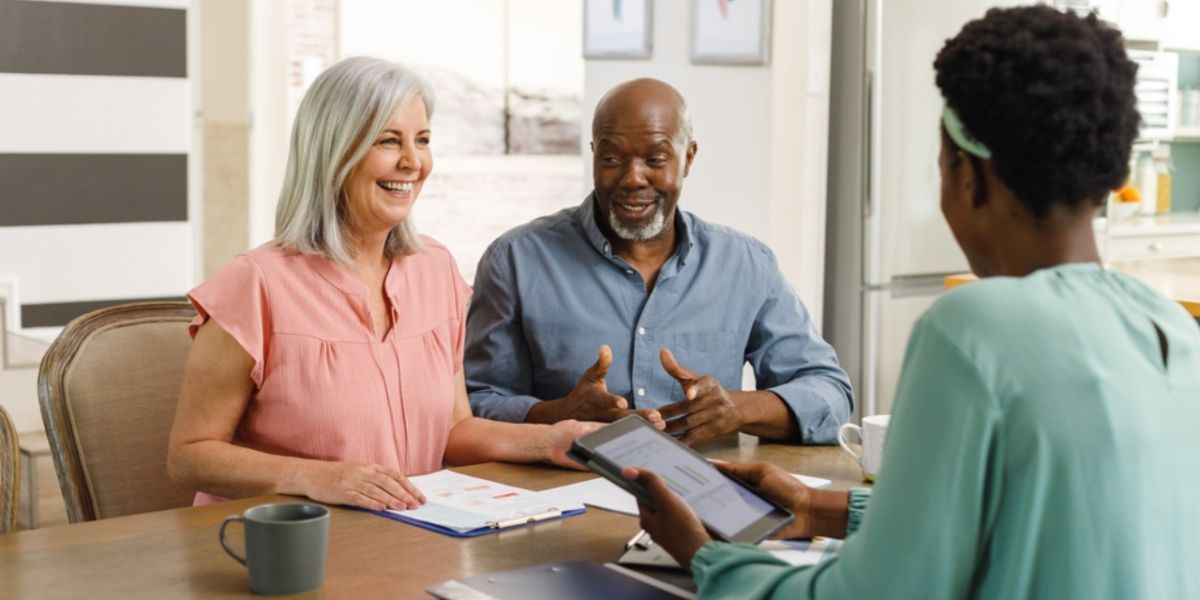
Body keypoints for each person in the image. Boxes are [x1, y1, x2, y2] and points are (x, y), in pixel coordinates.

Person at [626, 6, 1200, 598]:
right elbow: (1049, 516)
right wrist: (819, 507)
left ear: (968, 175)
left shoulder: (976, 329)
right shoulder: (1170, 328)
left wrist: (706, 556)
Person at [167, 57, 597, 512]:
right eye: (389, 141)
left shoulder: (436, 269)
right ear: (334, 152)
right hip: (283, 546)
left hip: (409, 535)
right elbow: (189, 455)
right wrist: (312, 477)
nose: (413, 162)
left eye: (423, 140)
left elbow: (452, 430)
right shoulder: (253, 285)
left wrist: (551, 440)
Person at [465, 78, 853, 446]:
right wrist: (555, 414)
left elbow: (830, 394)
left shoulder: (746, 265)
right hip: (561, 494)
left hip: (707, 493)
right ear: (594, 155)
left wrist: (739, 409)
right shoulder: (516, 261)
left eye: (655, 158)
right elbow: (469, 405)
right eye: (613, 157)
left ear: (688, 158)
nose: (633, 178)